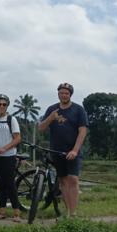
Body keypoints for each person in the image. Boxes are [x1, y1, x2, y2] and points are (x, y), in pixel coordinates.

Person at [38, 83, 88, 217]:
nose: (64, 95)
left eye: (66, 93)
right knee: (63, 181)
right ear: (58, 94)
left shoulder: (78, 110)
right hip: (56, 151)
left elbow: (82, 131)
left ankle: (73, 212)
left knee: (73, 179)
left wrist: (75, 150)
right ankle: (68, 212)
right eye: (61, 93)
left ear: (70, 95)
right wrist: (50, 118)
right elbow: (41, 128)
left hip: (72, 151)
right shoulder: (52, 109)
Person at [0, 94, 22, 222]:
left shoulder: (11, 119)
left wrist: (4, 148)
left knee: (10, 184)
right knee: (0, 183)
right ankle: (2, 211)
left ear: (7, 106)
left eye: (4, 104)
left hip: (8, 155)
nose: (1, 106)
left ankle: (16, 212)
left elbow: (17, 138)